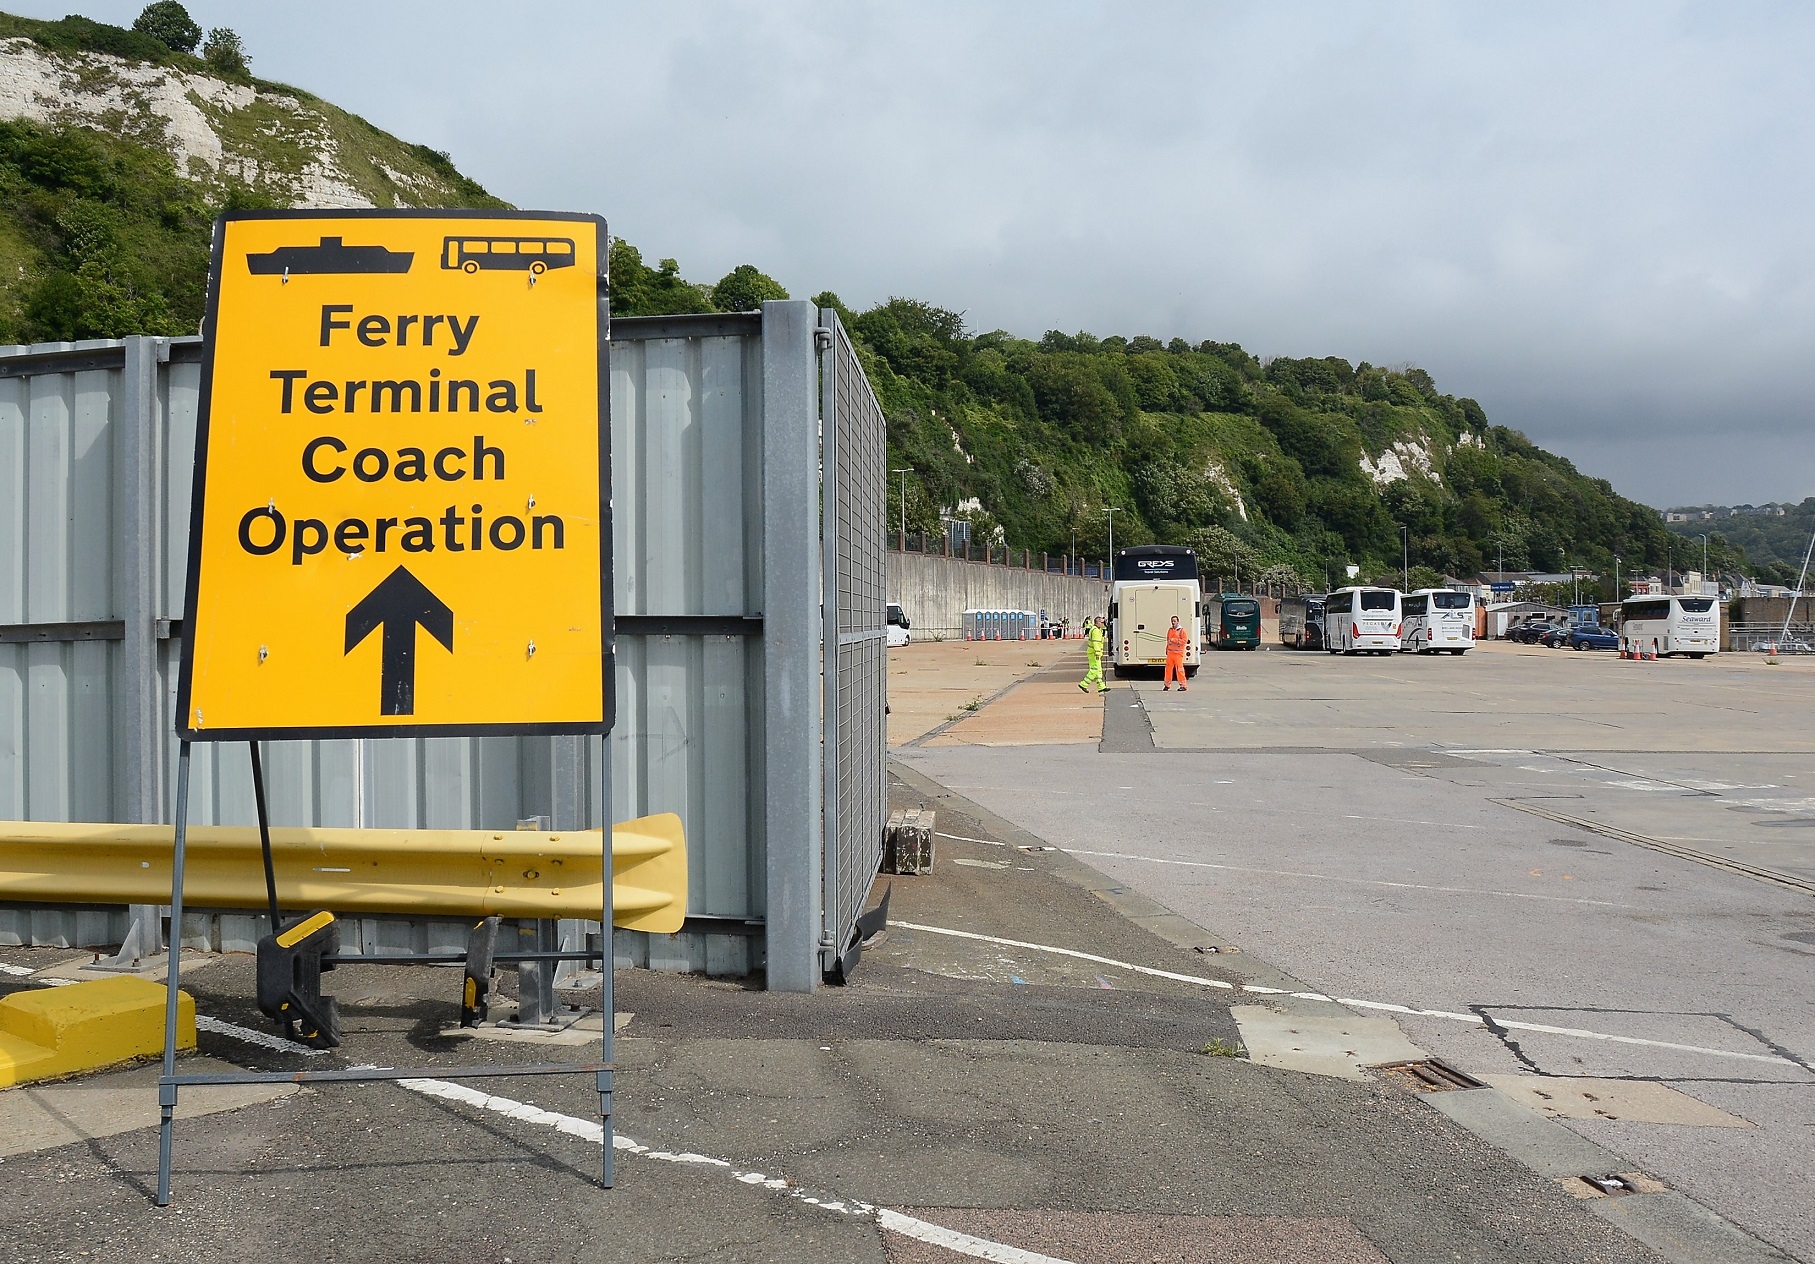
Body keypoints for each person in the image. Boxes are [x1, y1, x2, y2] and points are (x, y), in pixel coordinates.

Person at [1079, 615, 1107, 693]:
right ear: (1097, 622)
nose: (1103, 624)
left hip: (1094, 653)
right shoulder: (1095, 630)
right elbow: (1096, 643)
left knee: (1098, 670)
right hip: (1094, 653)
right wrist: (1098, 652)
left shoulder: (1097, 629)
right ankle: (1083, 684)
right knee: (1094, 670)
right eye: (1101, 622)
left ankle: (1101, 686)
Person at [1163, 614, 1190, 691]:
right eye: (1172, 621)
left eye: (1174, 621)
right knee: (1168, 670)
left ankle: (1183, 685)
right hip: (1170, 653)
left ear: (1178, 621)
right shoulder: (1170, 630)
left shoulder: (1182, 631)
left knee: (1179, 670)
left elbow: (1184, 641)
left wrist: (1174, 640)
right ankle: (1167, 685)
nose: (1173, 622)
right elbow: (1168, 641)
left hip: (1178, 654)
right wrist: (1167, 649)